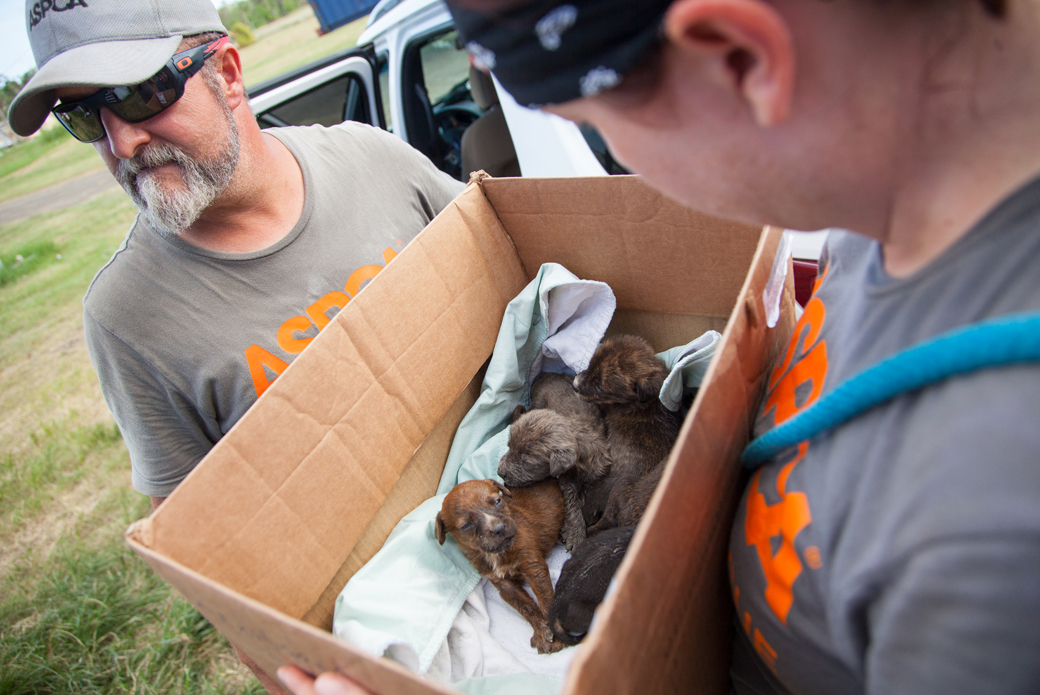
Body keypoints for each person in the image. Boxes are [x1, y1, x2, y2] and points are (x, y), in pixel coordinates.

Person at [279, 0, 1040, 693]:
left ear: (738, 60)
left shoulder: (978, 533)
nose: (628, 169)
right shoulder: (889, 209)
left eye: (602, 129)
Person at [8, 0, 463, 692]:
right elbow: (217, 566)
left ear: (226, 71)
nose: (122, 143)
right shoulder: (125, 319)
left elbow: (516, 269)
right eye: (84, 115)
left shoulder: (372, 157)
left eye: (140, 93)